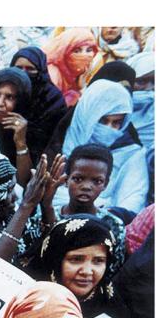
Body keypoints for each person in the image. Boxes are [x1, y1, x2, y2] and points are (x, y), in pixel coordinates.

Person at [58, 80, 148, 216]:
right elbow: (49, 194)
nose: (109, 129)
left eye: (116, 123)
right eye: (103, 121)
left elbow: (133, 201)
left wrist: (98, 211)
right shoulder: (63, 141)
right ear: (88, 116)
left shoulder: (132, 154)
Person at [24, 217, 124, 318]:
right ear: (55, 260)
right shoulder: (25, 300)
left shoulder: (110, 304)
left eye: (98, 261)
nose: (87, 271)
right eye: (76, 259)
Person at [43, 29, 99, 106]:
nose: (84, 55)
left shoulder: (80, 73)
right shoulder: (53, 72)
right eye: (76, 51)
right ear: (64, 52)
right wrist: (77, 92)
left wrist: (80, 87)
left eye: (89, 50)